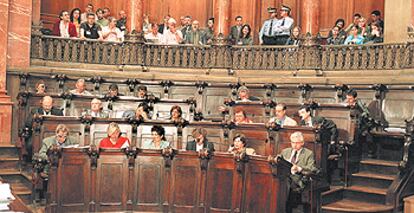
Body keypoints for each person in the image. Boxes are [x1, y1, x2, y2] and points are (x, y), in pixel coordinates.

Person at [280, 131, 318, 213]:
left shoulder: (308, 153)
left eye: (297, 143)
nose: (294, 145)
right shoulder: (285, 151)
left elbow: (312, 168)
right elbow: (278, 162)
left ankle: (284, 207)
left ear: (302, 143)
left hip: (298, 179)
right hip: (284, 177)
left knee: (287, 184)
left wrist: (299, 168)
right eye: (292, 142)